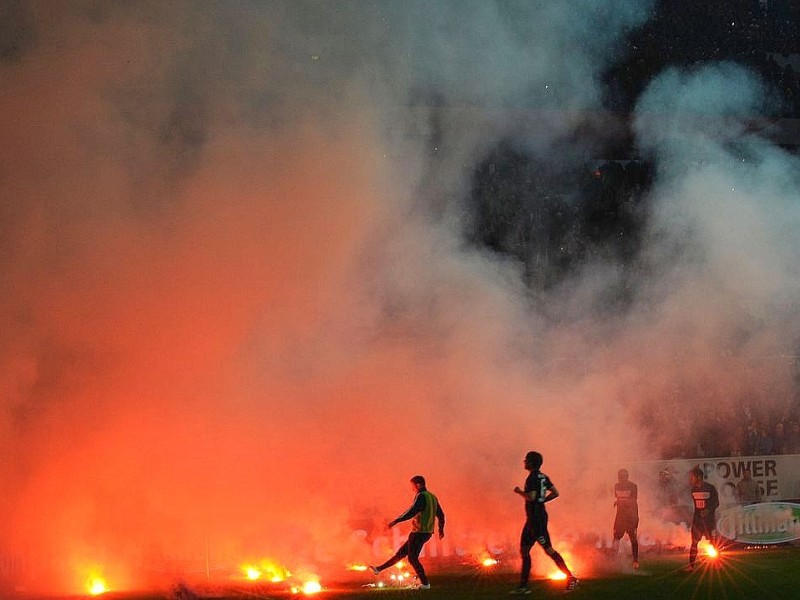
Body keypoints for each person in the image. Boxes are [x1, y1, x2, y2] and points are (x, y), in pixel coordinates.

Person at [510, 451, 578, 595]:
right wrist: (543, 501)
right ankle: (523, 586)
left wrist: (519, 492)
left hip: (537, 520)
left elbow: (531, 496)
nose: (524, 461)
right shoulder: (543, 477)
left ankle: (570, 577)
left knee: (548, 549)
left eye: (526, 460)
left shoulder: (532, 478)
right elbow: (555, 493)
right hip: (534, 519)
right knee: (524, 550)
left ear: (531, 462)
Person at [369, 475, 444, 590]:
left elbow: (411, 511)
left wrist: (396, 520)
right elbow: (441, 514)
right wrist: (441, 529)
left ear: (418, 485)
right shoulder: (433, 497)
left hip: (419, 532)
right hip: (427, 532)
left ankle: (425, 584)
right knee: (401, 554)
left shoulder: (421, 496)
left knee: (412, 558)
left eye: (412, 486)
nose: (412, 489)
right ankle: (378, 569)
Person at [687, 466, 719, 571]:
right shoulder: (693, 489)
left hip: (709, 521)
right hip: (697, 521)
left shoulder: (710, 488)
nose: (691, 479)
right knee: (694, 542)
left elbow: (716, 503)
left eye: (692, 477)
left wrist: (708, 510)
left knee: (713, 542)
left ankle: (716, 563)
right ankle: (691, 566)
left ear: (699, 477)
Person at [612, 468, 639, 569]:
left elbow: (633, 500)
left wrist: (621, 502)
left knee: (633, 537)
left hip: (631, 515)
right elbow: (618, 498)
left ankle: (635, 561)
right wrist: (617, 502)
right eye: (620, 477)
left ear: (627, 477)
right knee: (616, 537)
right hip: (620, 516)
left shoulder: (633, 486)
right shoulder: (616, 486)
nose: (621, 479)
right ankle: (614, 559)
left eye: (623, 476)